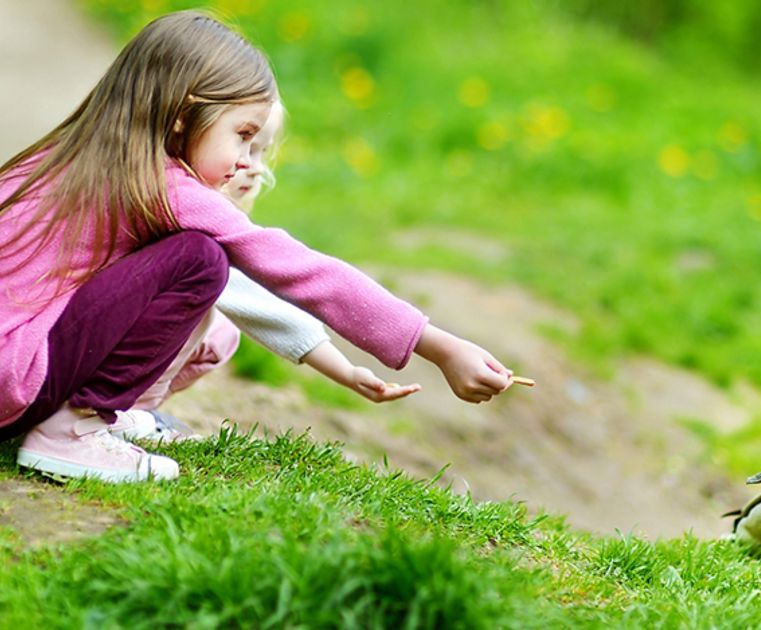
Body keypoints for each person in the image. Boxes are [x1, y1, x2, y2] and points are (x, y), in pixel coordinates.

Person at [0, 10, 513, 483]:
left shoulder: (62, 159)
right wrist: (439, 347)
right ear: (182, 114)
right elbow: (301, 270)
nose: (247, 160)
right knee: (199, 261)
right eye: (242, 135)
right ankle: (71, 431)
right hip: (14, 379)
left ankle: (103, 416)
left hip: (13, 367)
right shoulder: (165, 186)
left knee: (210, 307)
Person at [111, 102, 421, 442]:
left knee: (221, 333)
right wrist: (346, 372)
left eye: (260, 151)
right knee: (213, 314)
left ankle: (136, 408)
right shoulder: (192, 223)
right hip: (105, 345)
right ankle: (127, 412)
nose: (254, 167)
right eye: (242, 142)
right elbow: (265, 307)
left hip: (106, 337)